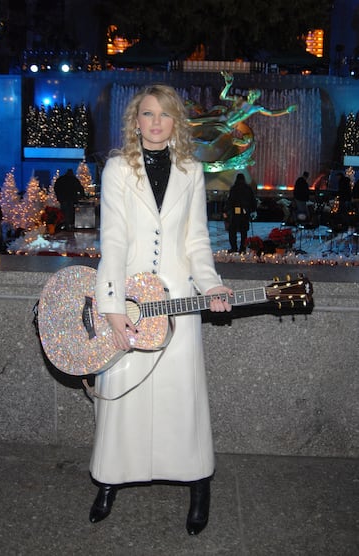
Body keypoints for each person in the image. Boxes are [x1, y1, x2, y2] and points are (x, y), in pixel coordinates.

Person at [90, 84, 233, 536]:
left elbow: (196, 240)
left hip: (178, 300)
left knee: (181, 395)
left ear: (176, 122)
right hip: (129, 300)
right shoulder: (116, 168)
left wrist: (211, 285)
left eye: (164, 115)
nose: (155, 122)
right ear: (136, 120)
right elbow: (111, 239)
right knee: (123, 394)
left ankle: (197, 482)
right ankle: (110, 479)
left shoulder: (192, 169)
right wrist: (111, 307)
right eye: (147, 114)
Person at [223, 173, 257, 253]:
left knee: (232, 231)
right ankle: (243, 248)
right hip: (245, 212)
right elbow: (252, 200)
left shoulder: (234, 188)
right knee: (244, 231)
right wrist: (253, 210)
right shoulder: (248, 188)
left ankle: (234, 248)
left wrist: (225, 211)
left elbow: (230, 200)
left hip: (235, 212)